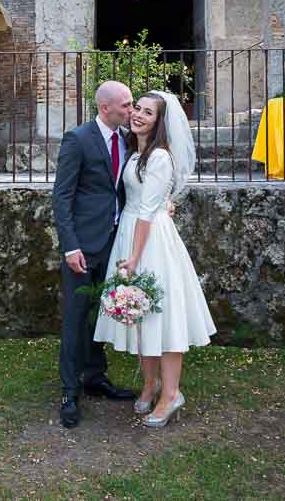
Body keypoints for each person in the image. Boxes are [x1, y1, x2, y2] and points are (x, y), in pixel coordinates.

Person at [94, 90, 217, 428]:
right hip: (131, 232)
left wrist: (133, 258)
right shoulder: (136, 152)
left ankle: (171, 393)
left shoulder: (160, 156)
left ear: (159, 121)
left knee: (164, 317)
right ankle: (149, 384)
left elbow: (148, 211)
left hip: (150, 241)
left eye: (148, 113)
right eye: (137, 108)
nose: (138, 115)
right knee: (141, 315)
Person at [51, 80, 137, 428]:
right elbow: (62, 196)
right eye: (127, 104)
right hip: (82, 248)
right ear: (106, 108)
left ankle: (96, 377)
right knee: (75, 316)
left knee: (101, 314)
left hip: (115, 243)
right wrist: (70, 246)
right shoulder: (78, 139)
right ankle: (70, 391)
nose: (132, 110)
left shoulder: (127, 140)